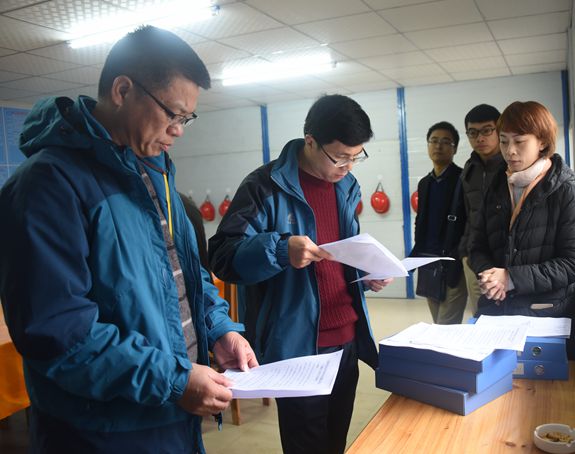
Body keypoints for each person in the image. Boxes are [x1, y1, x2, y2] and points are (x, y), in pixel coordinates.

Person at [0, 26, 257, 453]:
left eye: (186, 119)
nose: (179, 130)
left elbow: (184, 275)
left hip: (171, 415)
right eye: (173, 114)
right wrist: (175, 380)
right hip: (102, 434)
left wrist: (218, 329)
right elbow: (59, 333)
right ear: (122, 91)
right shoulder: (47, 186)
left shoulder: (154, 171)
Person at [209, 94, 392, 454]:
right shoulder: (263, 186)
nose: (348, 166)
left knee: (336, 441)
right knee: (306, 446)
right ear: (310, 141)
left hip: (346, 339)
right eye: (340, 156)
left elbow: (338, 254)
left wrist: (365, 272)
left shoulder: (346, 186)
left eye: (356, 157)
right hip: (296, 347)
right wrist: (280, 250)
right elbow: (223, 256)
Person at [468, 101, 575, 359]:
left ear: (542, 142)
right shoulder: (497, 186)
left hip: (546, 314)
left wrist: (510, 278)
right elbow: (476, 245)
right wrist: (491, 278)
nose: (510, 151)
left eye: (520, 142)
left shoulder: (565, 191)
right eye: (503, 141)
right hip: (497, 309)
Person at [411, 121, 467, 324]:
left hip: (453, 264)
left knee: (446, 325)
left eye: (445, 142)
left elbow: (469, 224)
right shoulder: (425, 183)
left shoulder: (463, 179)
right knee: (437, 323)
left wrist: (458, 253)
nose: (438, 146)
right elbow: (421, 222)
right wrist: (414, 256)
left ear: (455, 148)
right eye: (433, 141)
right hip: (429, 264)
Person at [459, 104, 505, 320]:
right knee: (480, 315)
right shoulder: (470, 168)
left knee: (504, 316)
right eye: (473, 132)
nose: (480, 138)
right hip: (473, 258)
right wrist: (465, 250)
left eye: (487, 130)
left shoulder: (511, 165)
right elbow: (467, 212)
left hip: (503, 259)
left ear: (499, 130)